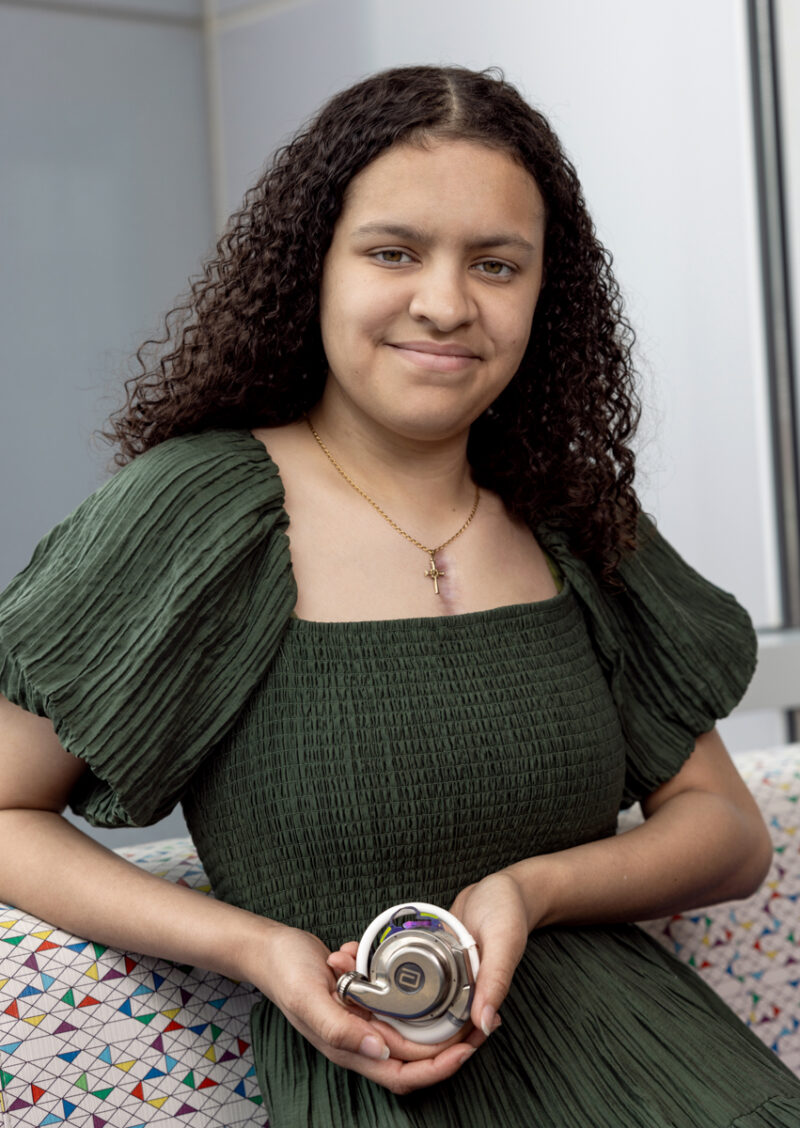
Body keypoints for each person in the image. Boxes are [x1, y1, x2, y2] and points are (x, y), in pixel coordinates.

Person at [0, 64, 798, 1128]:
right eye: (392, 251)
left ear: (540, 295)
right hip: (376, 1083)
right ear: (312, 272)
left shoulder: (567, 517)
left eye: (496, 264)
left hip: (666, 1069)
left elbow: (726, 834)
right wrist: (254, 948)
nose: (445, 302)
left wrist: (533, 888)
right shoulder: (201, 513)